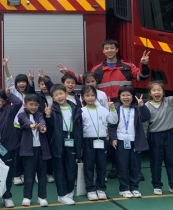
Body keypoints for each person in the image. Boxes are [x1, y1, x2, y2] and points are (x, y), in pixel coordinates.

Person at [58, 39, 150, 178]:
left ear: (117, 49)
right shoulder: (97, 69)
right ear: (103, 51)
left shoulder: (127, 66)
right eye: (106, 48)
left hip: (125, 106)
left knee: (130, 135)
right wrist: (68, 72)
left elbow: (141, 76)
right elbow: (85, 79)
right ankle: (115, 167)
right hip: (109, 109)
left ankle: (134, 169)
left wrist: (144, 65)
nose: (109, 50)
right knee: (113, 137)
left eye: (112, 48)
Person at [146, 79, 173, 196]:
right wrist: (144, 139)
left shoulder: (168, 102)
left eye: (159, 90)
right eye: (154, 90)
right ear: (150, 93)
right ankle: (157, 186)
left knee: (172, 162)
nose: (157, 92)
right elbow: (144, 124)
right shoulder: (146, 106)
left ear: (163, 92)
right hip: (155, 137)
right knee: (156, 163)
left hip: (169, 136)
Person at [108, 86, 151, 199]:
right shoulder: (116, 108)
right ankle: (124, 188)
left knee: (135, 166)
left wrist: (142, 106)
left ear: (133, 97)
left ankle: (134, 188)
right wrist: (113, 138)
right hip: (121, 141)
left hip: (135, 142)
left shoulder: (137, 109)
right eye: (123, 95)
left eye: (128, 95)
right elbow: (111, 125)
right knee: (122, 165)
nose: (126, 97)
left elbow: (147, 117)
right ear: (119, 97)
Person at [44, 84, 82, 205]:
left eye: (61, 93)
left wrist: (80, 144)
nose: (59, 97)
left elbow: (79, 128)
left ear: (66, 94)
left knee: (71, 168)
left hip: (72, 139)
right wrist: (48, 116)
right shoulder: (53, 110)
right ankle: (61, 194)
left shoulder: (75, 108)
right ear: (53, 98)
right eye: (56, 95)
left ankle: (69, 191)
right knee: (59, 169)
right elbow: (50, 129)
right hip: (58, 140)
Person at [0, 87, 22, 209]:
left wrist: (8, 94)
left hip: (8, 147)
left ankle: (7, 196)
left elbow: (19, 102)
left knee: (7, 173)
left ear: (4, 101)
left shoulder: (9, 110)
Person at [80, 86, 117, 201]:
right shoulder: (81, 111)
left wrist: (112, 109)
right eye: (87, 95)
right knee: (89, 166)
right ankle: (90, 190)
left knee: (101, 165)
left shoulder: (102, 109)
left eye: (92, 95)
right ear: (83, 97)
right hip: (87, 141)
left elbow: (113, 120)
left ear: (96, 96)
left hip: (101, 140)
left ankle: (101, 189)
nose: (90, 98)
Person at [3, 57, 35, 185]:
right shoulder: (14, 93)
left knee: (26, 151)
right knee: (16, 152)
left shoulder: (30, 95)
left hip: (28, 126)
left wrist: (32, 81)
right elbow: (9, 79)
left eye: (24, 82)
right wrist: (5, 67)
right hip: (16, 126)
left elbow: (32, 90)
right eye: (19, 82)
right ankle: (16, 175)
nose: (21, 84)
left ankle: (24, 173)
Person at [17, 94, 51, 207]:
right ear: (25, 105)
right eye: (31, 104)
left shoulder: (40, 114)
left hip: (41, 150)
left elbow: (42, 121)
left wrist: (43, 127)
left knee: (42, 175)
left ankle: (42, 197)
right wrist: (31, 125)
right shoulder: (21, 115)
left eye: (36, 105)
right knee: (29, 175)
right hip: (28, 151)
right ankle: (27, 197)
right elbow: (25, 121)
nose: (33, 107)